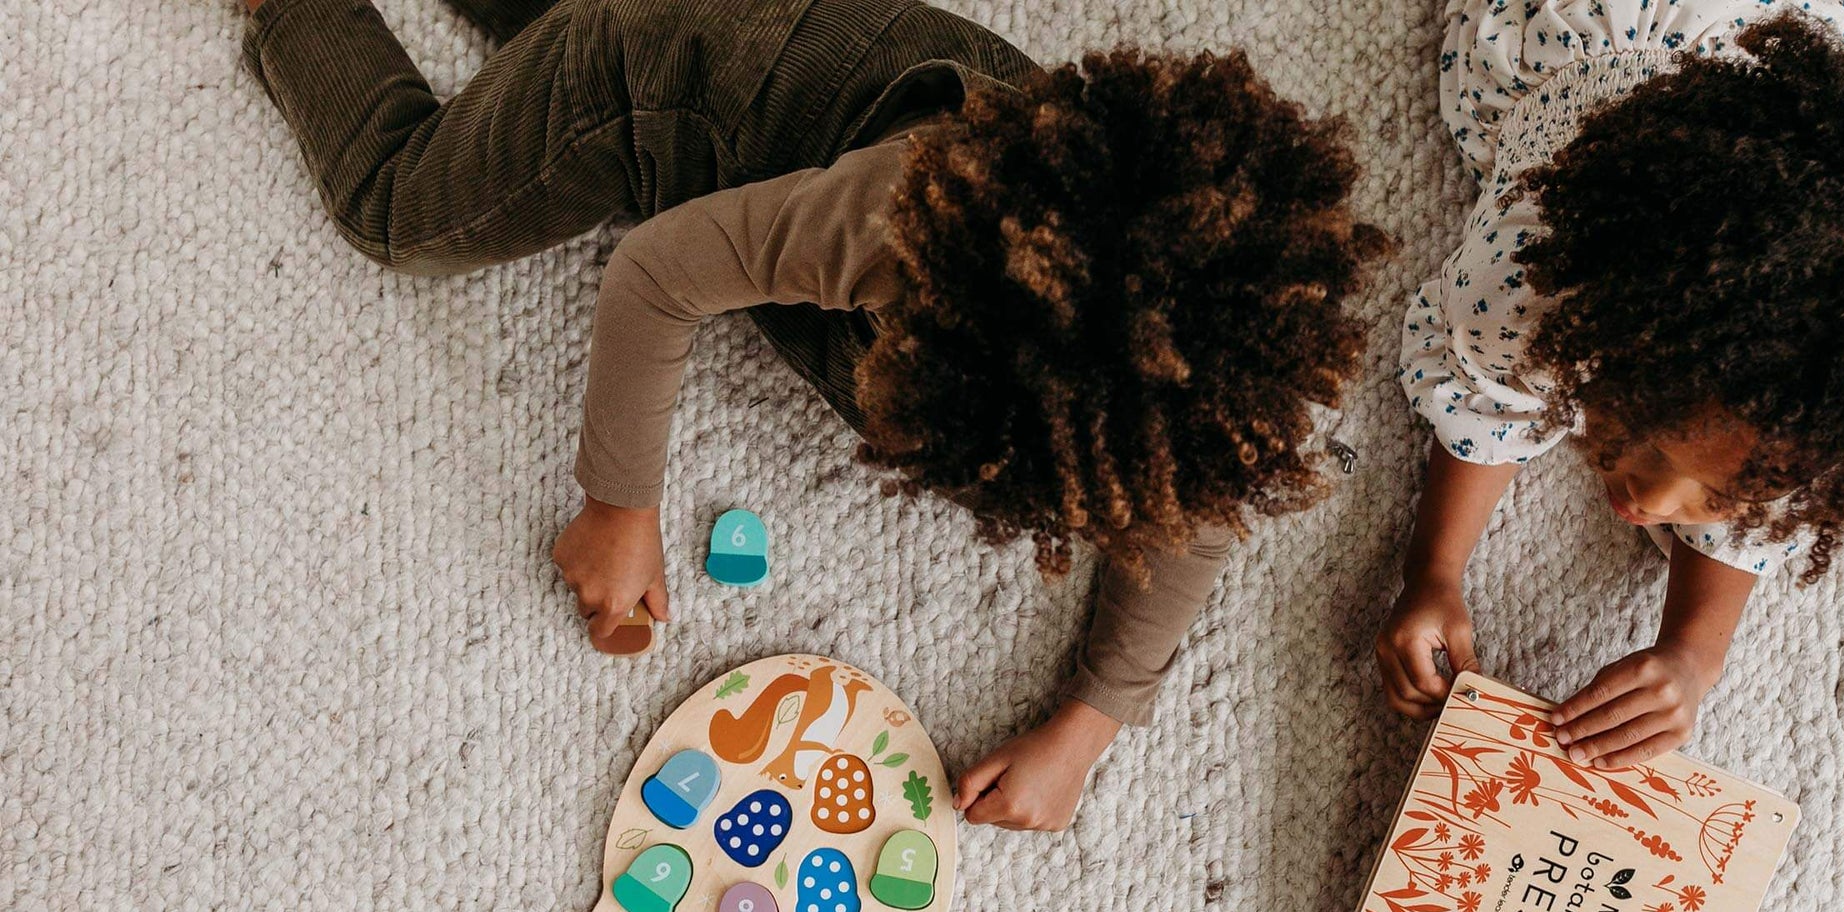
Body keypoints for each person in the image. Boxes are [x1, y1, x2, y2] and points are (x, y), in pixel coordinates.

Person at [239, 0, 1389, 828]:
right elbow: (657, 271)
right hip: (643, 87)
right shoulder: (902, 224)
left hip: (794, 52)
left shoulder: (1195, 364)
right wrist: (619, 500)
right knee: (400, 210)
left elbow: (1192, 514)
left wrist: (1090, 720)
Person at [1375, 2, 1844, 764]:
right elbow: (1486, 401)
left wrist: (1694, 655)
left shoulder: (1824, 403)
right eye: (1643, 440)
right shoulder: (1529, 279)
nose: (1651, 507)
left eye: (1725, 495)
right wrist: (1433, 568)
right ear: (1616, 334)